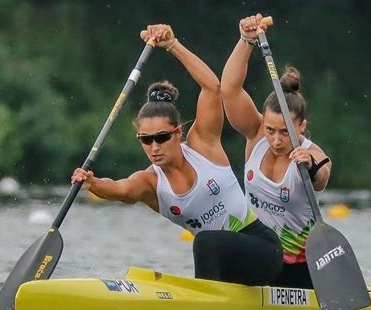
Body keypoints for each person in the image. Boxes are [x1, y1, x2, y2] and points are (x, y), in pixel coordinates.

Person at [71, 24, 283, 286]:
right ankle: (210, 309)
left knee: (204, 241)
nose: (154, 147)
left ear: (178, 133)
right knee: (206, 244)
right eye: (145, 140)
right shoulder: (150, 182)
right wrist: (92, 183)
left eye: (161, 137)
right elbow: (121, 189)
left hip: (262, 249)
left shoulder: (202, 145)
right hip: (227, 264)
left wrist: (172, 45)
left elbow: (212, 88)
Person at [220, 14, 332, 289]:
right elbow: (229, 90)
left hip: (298, 268)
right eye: (271, 130)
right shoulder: (256, 135)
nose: (277, 140)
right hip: (258, 257)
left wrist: (310, 165)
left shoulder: (311, 152)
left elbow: (323, 177)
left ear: (302, 126)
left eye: (286, 132)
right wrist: (246, 40)